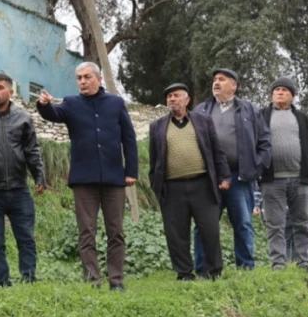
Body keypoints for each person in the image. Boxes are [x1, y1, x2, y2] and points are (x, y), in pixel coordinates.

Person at [37, 62, 138, 291]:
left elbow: (129, 139)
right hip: (84, 180)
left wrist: (131, 171)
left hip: (114, 178)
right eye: (79, 78)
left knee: (116, 232)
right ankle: (93, 280)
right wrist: (43, 105)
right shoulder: (71, 103)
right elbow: (52, 114)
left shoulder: (116, 103)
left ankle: (116, 280)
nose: (82, 81)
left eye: (87, 77)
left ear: (99, 79)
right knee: (86, 232)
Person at [148, 83, 231, 281]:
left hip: (203, 185)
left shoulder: (203, 121)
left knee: (210, 229)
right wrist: (156, 185)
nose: (172, 99)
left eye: (176, 95)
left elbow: (217, 151)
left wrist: (225, 176)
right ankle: (184, 273)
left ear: (187, 100)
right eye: (169, 96)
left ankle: (213, 272)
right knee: (176, 234)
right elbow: (154, 160)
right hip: (172, 188)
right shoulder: (157, 126)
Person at [192, 68, 271, 272]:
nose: (216, 83)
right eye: (215, 80)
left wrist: (256, 166)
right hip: (210, 178)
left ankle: (245, 268)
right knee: (204, 225)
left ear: (234, 85)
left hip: (240, 177)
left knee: (243, 224)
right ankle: (203, 270)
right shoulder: (201, 110)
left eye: (222, 79)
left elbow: (265, 142)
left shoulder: (249, 109)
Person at [0, 73, 47, 287]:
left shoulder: (23, 118)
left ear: (11, 91)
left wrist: (39, 175)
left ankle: (28, 278)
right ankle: (2, 281)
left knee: (26, 238)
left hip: (19, 189)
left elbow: (32, 150)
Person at [259, 77, 308, 276]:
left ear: (292, 96)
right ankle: (278, 264)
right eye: (276, 90)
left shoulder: (302, 118)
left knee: (303, 221)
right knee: (275, 224)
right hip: (271, 179)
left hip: (299, 178)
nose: (280, 92)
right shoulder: (261, 115)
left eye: (284, 90)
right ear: (271, 94)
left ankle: (304, 261)